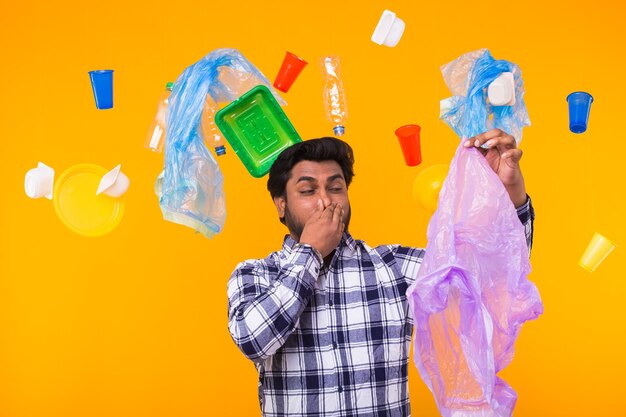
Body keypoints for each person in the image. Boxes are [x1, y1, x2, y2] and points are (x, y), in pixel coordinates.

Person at [227, 130, 534, 416]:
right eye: (308, 190)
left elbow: (492, 273)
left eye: (336, 188)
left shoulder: (395, 267)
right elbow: (254, 340)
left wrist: (508, 194)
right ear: (281, 205)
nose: (325, 201)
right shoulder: (256, 274)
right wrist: (310, 252)